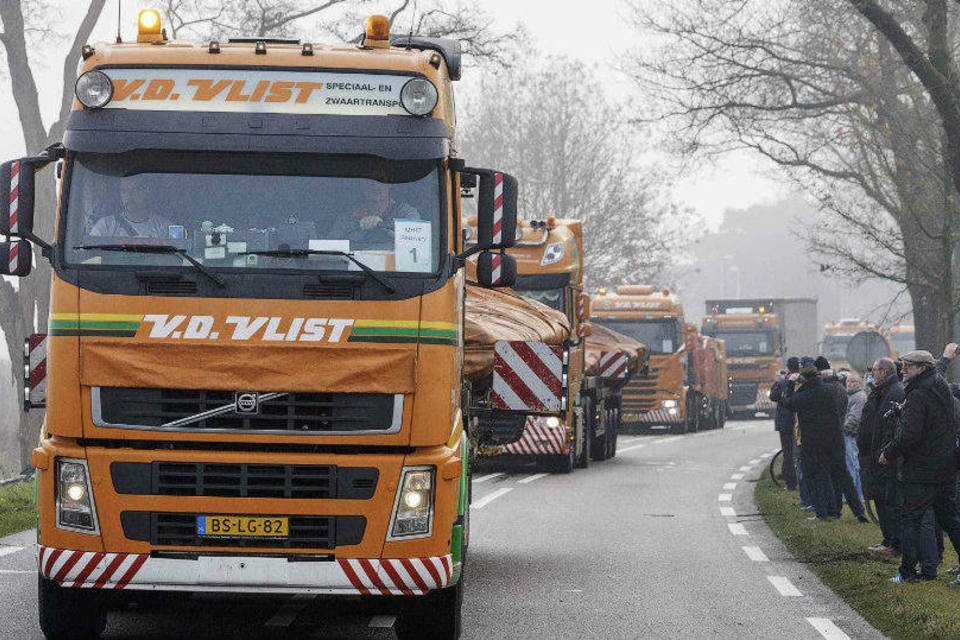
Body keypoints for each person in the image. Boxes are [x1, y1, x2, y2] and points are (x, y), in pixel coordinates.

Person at [879, 350, 960, 584]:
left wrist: (888, 453)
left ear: (922, 368)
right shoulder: (940, 387)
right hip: (946, 465)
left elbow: (910, 434)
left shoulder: (918, 394)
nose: (903, 370)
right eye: (903, 365)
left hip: (922, 468)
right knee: (950, 520)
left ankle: (906, 572)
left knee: (911, 519)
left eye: (909, 366)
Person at [782, 357, 868, 522]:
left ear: (804, 379)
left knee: (816, 477)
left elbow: (787, 403)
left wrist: (791, 384)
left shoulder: (804, 396)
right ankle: (858, 511)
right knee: (843, 477)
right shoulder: (830, 391)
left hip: (813, 443)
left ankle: (822, 512)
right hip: (835, 439)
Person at [858, 357, 905, 555]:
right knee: (879, 498)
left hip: (886, 457)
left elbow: (892, 428)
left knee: (890, 502)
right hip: (873, 456)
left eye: (875, 370)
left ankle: (895, 544)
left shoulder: (895, 392)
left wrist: (885, 451)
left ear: (884, 372)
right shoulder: (879, 392)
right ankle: (887, 539)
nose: (872, 374)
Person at [90, 175, 174, 238]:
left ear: (146, 192)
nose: (129, 195)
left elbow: (177, 251)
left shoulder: (164, 227)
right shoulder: (106, 226)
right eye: (124, 191)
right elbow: (91, 252)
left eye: (135, 189)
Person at [769, 357, 800, 491]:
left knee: (788, 452)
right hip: (799, 421)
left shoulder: (784, 382)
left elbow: (773, 396)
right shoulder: (803, 380)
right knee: (799, 451)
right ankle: (799, 480)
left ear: (788, 368)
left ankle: (790, 483)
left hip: (785, 422)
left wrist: (779, 380)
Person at [843, 372, 867, 502]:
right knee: (852, 464)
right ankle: (857, 495)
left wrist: (843, 429)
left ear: (860, 383)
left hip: (851, 435)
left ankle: (852, 495)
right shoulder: (851, 395)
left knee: (851, 465)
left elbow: (855, 418)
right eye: (848, 381)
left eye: (853, 382)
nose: (850, 384)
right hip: (850, 434)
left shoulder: (860, 397)